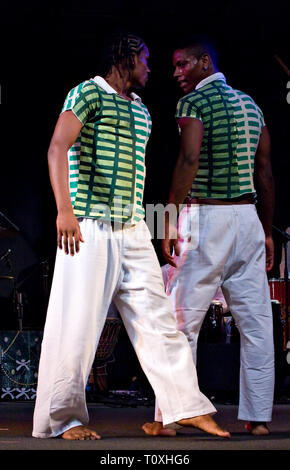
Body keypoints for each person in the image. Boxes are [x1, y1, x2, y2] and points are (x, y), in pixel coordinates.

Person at [32, 31, 230, 440]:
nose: (150, 68)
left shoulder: (141, 110)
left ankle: (186, 406)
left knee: (159, 321)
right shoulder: (87, 93)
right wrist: (64, 211)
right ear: (126, 58)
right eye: (146, 60)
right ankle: (63, 419)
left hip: (134, 226)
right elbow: (57, 147)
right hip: (88, 224)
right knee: (79, 323)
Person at [143, 37, 275, 437]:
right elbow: (265, 173)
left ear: (205, 62)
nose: (176, 73)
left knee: (181, 321)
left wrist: (165, 219)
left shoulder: (193, 104)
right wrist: (267, 231)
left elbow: (188, 158)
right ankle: (258, 418)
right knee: (257, 325)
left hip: (205, 218)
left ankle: (170, 416)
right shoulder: (252, 105)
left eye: (182, 64)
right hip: (248, 219)